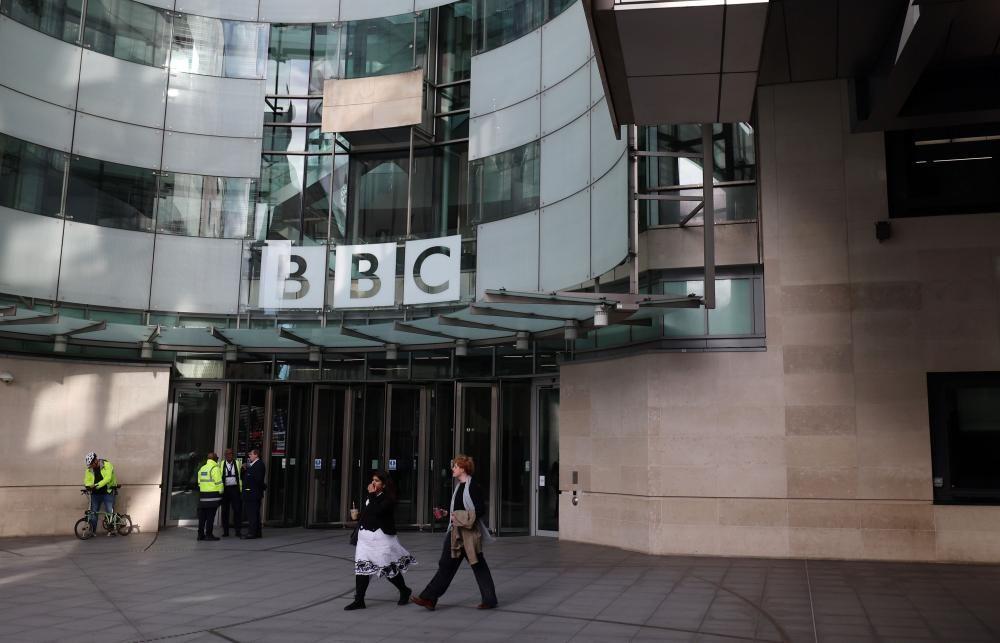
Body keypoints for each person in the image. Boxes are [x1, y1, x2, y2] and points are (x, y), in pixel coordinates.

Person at [411, 454, 498, 611]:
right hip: (455, 532)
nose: (453, 469)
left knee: (477, 565)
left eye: (455, 467)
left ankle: (489, 600)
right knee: (447, 565)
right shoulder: (459, 487)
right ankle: (429, 598)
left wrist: (457, 516)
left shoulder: (473, 487)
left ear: (463, 469)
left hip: (468, 534)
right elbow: (458, 510)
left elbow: (480, 510)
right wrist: (445, 513)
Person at [345, 469, 415, 611]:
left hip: (381, 539)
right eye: (373, 480)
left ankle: (404, 590)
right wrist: (358, 516)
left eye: (377, 481)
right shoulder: (371, 496)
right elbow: (370, 512)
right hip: (365, 539)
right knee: (361, 568)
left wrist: (371, 495)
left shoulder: (388, 498)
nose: (373, 483)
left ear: (384, 484)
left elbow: (378, 510)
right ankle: (359, 600)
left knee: (387, 568)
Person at [83, 452, 117, 537]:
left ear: (95, 460)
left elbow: (108, 478)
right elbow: (87, 480)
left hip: (107, 492)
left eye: (91, 464)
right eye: (89, 465)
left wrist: (97, 485)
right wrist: (88, 487)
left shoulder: (107, 465)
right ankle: (92, 532)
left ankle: (111, 530)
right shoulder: (89, 469)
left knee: (109, 511)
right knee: (93, 513)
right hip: (95, 494)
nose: (90, 467)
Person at [196, 452, 223, 541]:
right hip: (213, 497)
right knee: (210, 517)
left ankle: (200, 535)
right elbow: (219, 483)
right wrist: (221, 492)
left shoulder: (202, 468)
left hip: (203, 496)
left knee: (202, 517)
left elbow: (199, 483)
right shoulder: (215, 468)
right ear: (215, 459)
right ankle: (209, 535)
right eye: (217, 458)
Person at [241, 449, 265, 539]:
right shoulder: (252, 465)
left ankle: (252, 533)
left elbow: (258, 480)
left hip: (253, 493)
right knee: (254, 513)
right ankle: (257, 532)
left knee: (252, 514)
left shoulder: (259, 465)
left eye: (250, 454)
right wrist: (243, 469)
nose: (249, 456)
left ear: (256, 455)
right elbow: (244, 478)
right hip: (251, 493)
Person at [219, 448, 243, 537]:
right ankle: (225, 531)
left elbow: (241, 475)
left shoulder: (237, 463)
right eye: (227, 454)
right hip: (225, 490)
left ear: (233, 455)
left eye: (231, 454)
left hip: (235, 489)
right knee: (225, 511)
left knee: (237, 510)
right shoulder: (221, 464)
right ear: (225, 455)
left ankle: (238, 531)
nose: (229, 455)